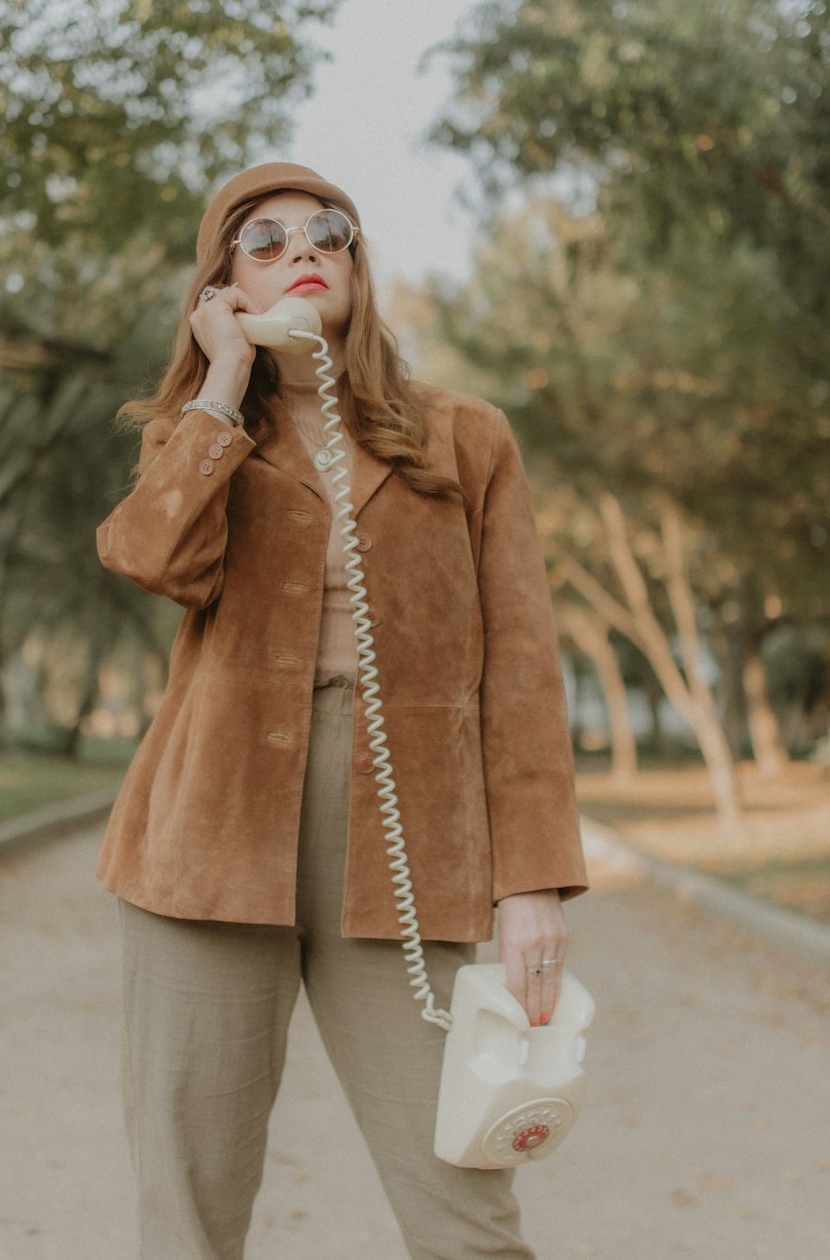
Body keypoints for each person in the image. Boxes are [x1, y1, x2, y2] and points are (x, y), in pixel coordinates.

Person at [95, 161, 589, 1260]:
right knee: (188, 1210)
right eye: (261, 242)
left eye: (326, 231)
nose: (302, 251)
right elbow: (148, 556)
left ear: (359, 261)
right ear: (221, 283)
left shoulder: (466, 436)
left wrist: (532, 880)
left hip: (411, 845)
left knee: (467, 1208)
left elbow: (520, 665)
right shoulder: (197, 434)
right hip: (207, 840)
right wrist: (223, 381)